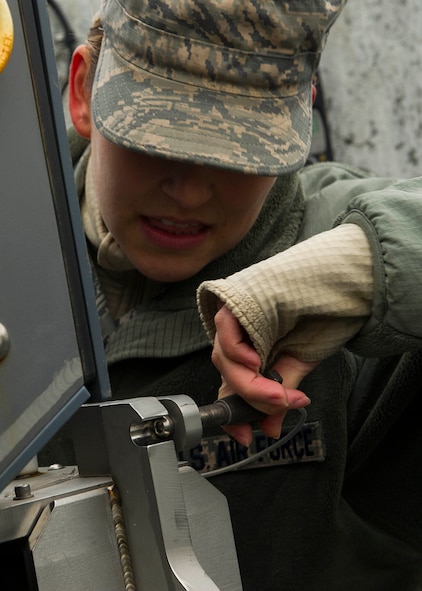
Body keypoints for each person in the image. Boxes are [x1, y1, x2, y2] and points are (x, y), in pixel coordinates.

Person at [43, 0, 422, 588]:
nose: (190, 192)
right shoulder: (17, 244)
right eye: (157, 135)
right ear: (83, 91)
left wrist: (371, 266)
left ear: (303, 114)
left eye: (239, 150)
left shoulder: (348, 266)